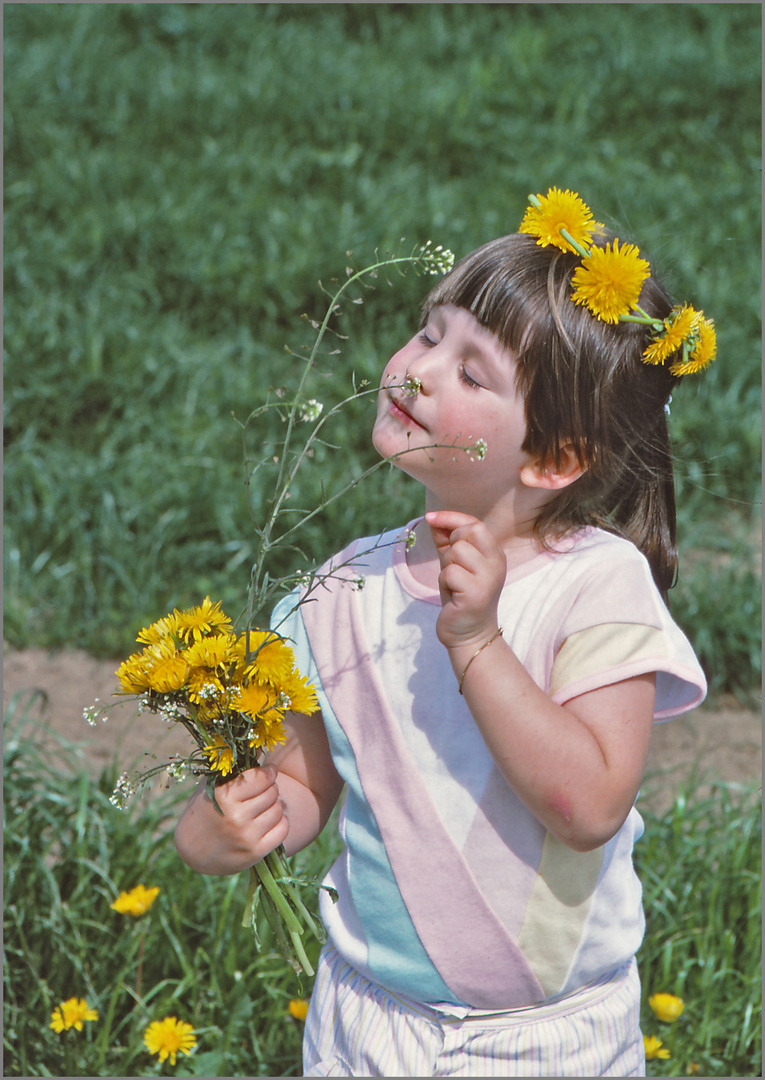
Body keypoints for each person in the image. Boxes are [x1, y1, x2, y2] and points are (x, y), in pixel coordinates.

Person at [175, 188, 712, 1076]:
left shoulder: (595, 586)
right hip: (369, 1023)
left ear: (552, 460)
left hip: (548, 1042)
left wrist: (476, 644)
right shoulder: (342, 589)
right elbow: (303, 792)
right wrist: (224, 827)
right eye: (430, 333)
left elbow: (589, 806)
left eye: (473, 374)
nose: (419, 371)